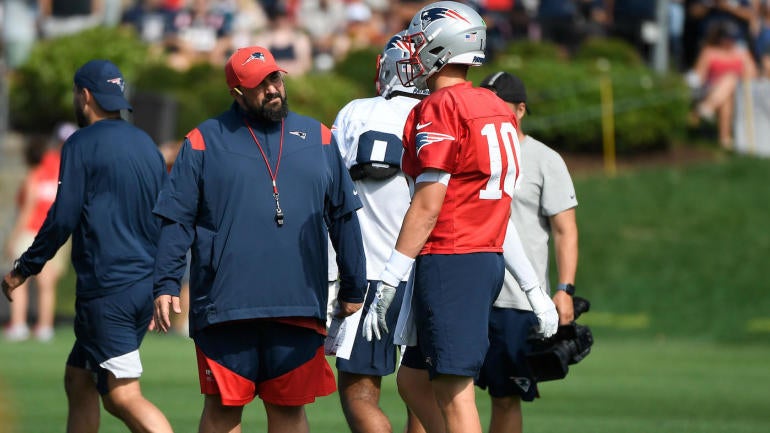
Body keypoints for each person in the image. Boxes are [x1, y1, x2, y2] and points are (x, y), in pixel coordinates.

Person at [360, 3, 557, 433]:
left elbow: (428, 204)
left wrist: (390, 278)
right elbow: (494, 209)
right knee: (413, 381)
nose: (411, 51)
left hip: (451, 258)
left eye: (418, 41)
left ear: (440, 46)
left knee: (454, 393)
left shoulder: (441, 107)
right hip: (481, 255)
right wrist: (532, 288)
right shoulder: (494, 105)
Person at [150, 45, 367, 433]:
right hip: (225, 306)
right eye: (259, 83)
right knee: (222, 411)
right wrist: (166, 281)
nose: (272, 89)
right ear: (237, 92)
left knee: (288, 412)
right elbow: (176, 220)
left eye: (275, 78)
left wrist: (354, 284)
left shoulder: (317, 136)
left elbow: (343, 216)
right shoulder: (203, 140)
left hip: (298, 303)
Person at [1, 59, 173, 433]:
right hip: (139, 285)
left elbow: (62, 218)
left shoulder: (80, 143)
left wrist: (23, 269)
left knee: (123, 397)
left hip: (109, 289)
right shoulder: (146, 145)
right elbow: (167, 219)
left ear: (85, 95)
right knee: (78, 379)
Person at [331, 30, 428, 433]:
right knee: (422, 395)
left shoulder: (356, 113)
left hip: (371, 270)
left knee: (359, 392)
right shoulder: (443, 114)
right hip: (430, 273)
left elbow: (328, 188)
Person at [477, 71, 579, 433]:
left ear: (520, 111)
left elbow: (566, 230)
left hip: (517, 301)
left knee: (505, 397)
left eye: (497, 107)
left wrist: (564, 291)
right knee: (439, 390)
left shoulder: (543, 159)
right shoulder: (469, 150)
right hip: (469, 292)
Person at [3, 123, 75, 342]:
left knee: (21, 278)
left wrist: (12, 238)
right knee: (45, 283)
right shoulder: (70, 170)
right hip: (54, 233)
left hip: (35, 231)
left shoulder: (42, 168)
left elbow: (28, 207)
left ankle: (20, 324)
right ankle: (43, 326)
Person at [689, 21, 758, 149]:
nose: (730, 41)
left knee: (730, 81)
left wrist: (744, 70)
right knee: (727, 95)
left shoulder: (741, 53)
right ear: (719, 38)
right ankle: (725, 139)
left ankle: (705, 108)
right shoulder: (709, 52)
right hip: (711, 89)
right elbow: (699, 76)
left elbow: (752, 75)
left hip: (739, 92)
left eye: (733, 38)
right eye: (727, 38)